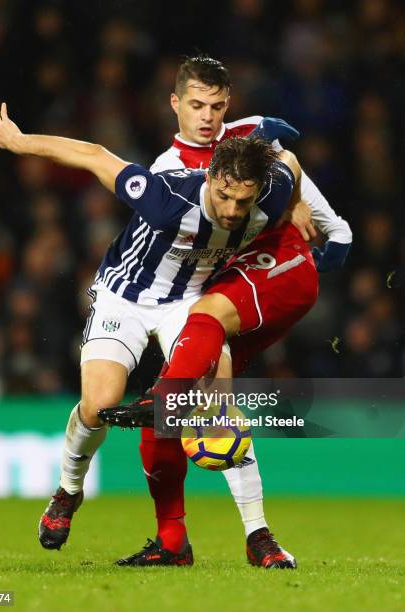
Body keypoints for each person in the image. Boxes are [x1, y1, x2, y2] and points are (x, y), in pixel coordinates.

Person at [0, 103, 309, 566]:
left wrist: (295, 205)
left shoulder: (268, 193)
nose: (235, 210)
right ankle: (68, 490)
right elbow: (95, 155)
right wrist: (20, 142)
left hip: (189, 303)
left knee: (217, 402)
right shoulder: (167, 197)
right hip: (126, 298)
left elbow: (290, 165)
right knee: (98, 407)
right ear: (211, 176)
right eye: (225, 197)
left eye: (244, 200)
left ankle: (259, 536)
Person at [103, 55, 352, 568]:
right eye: (197, 105)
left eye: (217, 106)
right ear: (175, 106)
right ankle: (174, 541)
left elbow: (288, 163)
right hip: (197, 291)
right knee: (171, 415)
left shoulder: (241, 143)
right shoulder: (168, 177)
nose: (208, 116)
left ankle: (258, 534)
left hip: (249, 281)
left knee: (212, 366)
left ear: (227, 105)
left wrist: (323, 218)